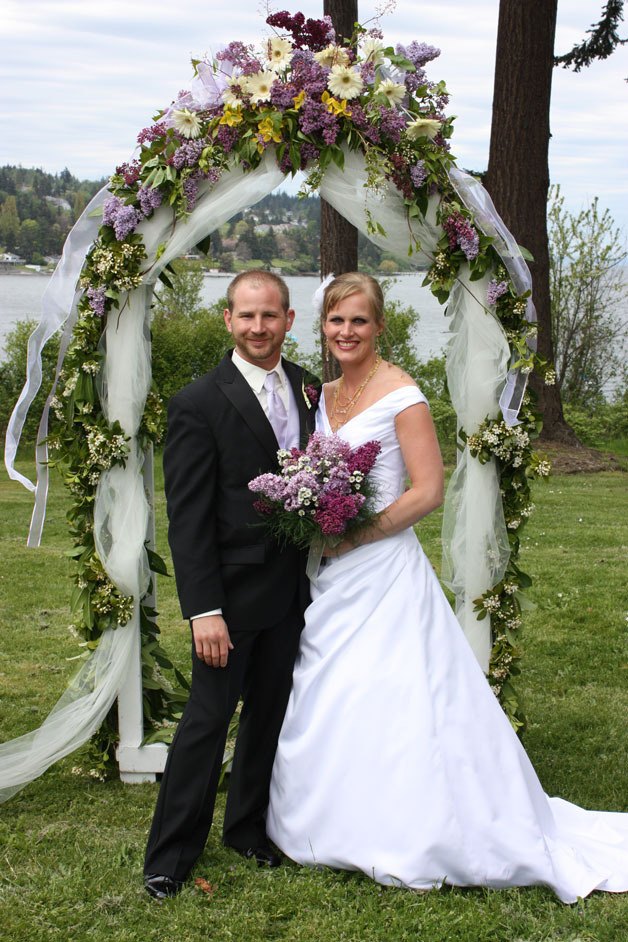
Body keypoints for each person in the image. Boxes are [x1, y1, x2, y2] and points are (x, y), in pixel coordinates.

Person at [266, 272, 628, 903]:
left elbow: (428, 491)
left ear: (381, 326)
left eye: (358, 320)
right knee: (334, 689)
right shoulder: (318, 394)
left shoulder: (401, 393)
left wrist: (355, 536)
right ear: (321, 327)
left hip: (380, 569)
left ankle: (413, 826)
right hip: (327, 572)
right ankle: (325, 816)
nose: (346, 332)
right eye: (335, 321)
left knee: (394, 693)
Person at [144, 270, 319, 900]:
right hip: (230, 598)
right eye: (246, 316)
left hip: (291, 593)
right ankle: (169, 856)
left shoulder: (307, 388)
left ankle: (246, 830)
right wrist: (203, 611)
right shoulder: (198, 403)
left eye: (269, 316)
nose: (258, 327)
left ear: (288, 319)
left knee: (268, 715)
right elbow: (187, 521)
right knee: (207, 721)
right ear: (228, 320)